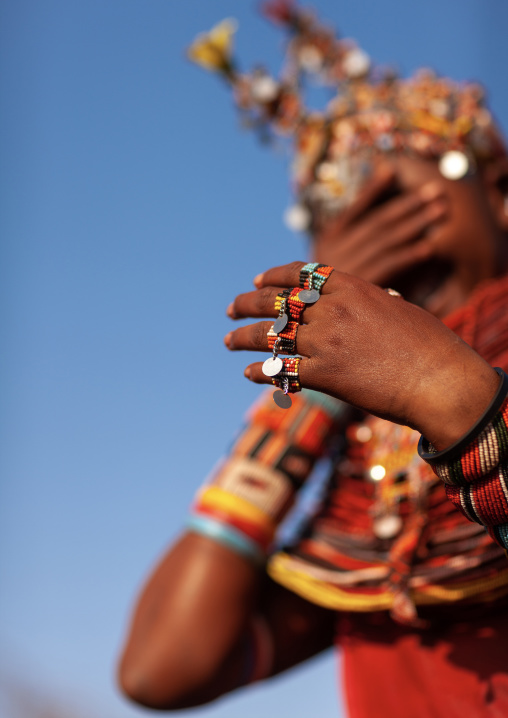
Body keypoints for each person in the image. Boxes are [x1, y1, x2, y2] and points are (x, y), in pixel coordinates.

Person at [117, 3, 508, 715]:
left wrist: (437, 381)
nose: (376, 221)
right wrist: (312, 375)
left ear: (502, 194)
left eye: (401, 189)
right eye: (344, 212)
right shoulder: (365, 513)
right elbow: (158, 669)